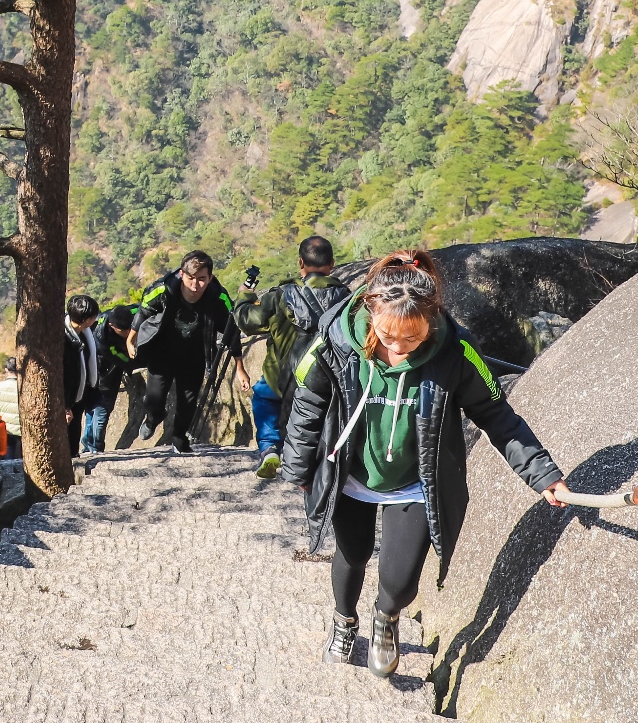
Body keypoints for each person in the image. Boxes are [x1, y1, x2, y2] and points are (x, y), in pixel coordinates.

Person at [279, 249, 569, 679]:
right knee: (353, 553)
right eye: (387, 336)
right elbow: (308, 401)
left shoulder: (456, 351)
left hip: (415, 482)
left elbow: (495, 414)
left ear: (431, 321)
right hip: (350, 476)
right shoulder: (337, 339)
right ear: (370, 309)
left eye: (411, 340)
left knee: (399, 584)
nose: (398, 348)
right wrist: (299, 467)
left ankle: (385, 619)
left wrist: (543, 475)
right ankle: (344, 622)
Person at [234, 235, 351, 479]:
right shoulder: (347, 298)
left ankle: (269, 448)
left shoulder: (281, 296)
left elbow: (246, 321)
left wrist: (244, 296)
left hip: (283, 379)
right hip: (328, 379)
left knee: (264, 395)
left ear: (301, 263)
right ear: (332, 264)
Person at [132, 250, 249, 454]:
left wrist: (240, 367)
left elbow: (232, 329)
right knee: (154, 398)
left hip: (195, 356)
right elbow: (144, 310)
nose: (195, 286)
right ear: (181, 274)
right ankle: (153, 417)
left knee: (188, 402)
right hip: (162, 352)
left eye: (202, 279)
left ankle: (179, 439)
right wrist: (131, 337)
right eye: (191, 278)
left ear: (210, 277)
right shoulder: (164, 289)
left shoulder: (218, 297)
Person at [84, 303, 137, 452]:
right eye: (124, 330)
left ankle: (87, 445)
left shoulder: (127, 312)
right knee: (101, 411)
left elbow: (143, 308)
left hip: (95, 371)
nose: (129, 333)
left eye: (130, 328)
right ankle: (95, 447)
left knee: (91, 411)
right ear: (113, 326)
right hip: (102, 375)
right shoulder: (102, 337)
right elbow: (123, 360)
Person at [61, 294, 101, 457]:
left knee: (76, 427)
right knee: (67, 433)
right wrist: (64, 405)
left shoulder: (84, 332)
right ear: (88, 320)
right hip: (68, 397)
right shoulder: (62, 339)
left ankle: (73, 456)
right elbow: (63, 375)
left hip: (81, 391)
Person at [0, 356, 22, 436]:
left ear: (6, 370)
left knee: (8, 447)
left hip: (5, 428)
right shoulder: (25, 387)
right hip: (22, 429)